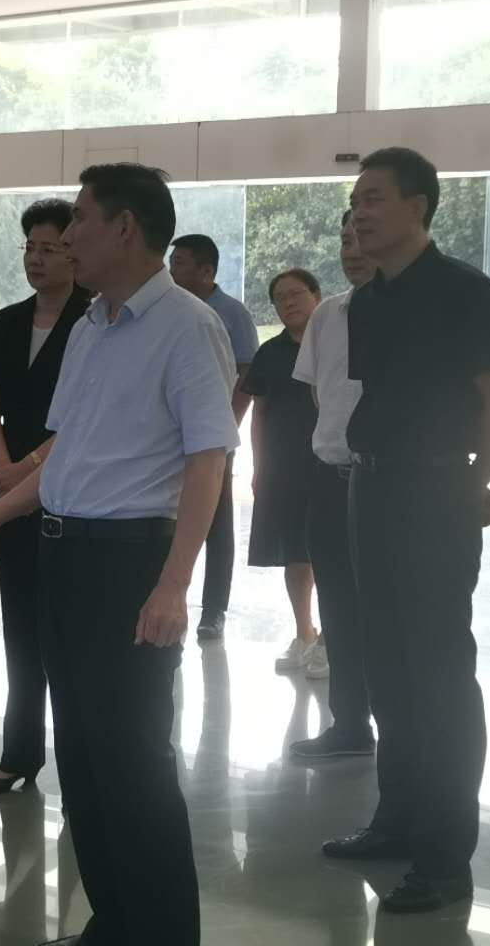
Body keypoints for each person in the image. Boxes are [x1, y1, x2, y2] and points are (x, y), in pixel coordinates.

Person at [0, 163, 239, 945]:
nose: (68, 239)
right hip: (64, 558)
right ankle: (114, 922)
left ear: (124, 228)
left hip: (130, 565)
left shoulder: (187, 325)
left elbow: (209, 461)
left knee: (134, 761)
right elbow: (65, 455)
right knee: (85, 757)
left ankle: (163, 934)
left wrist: (174, 584)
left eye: (80, 222)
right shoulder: (92, 325)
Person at [322, 147, 490, 914]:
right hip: (370, 488)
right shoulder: (369, 300)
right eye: (356, 200)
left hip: (435, 492)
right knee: (386, 668)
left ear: (418, 207)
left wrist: (467, 487)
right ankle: (397, 820)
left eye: (374, 198)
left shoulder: (468, 293)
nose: (359, 213)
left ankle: (443, 858)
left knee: (438, 677)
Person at [0, 198, 92, 796]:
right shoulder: (9, 320)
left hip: (69, 488)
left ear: (75, 252)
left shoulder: (93, 320)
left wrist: (28, 466)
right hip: (9, 490)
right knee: (20, 624)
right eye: (30, 248)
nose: (37, 259)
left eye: (50, 248)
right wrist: (2, 466)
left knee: (70, 634)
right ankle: (19, 753)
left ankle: (79, 764)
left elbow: (86, 412)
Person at [289, 214, 377, 759]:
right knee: (339, 605)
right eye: (345, 239)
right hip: (330, 477)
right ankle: (350, 724)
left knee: (389, 607)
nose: (352, 249)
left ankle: (405, 728)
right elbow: (319, 392)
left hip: (388, 481)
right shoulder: (328, 314)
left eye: (362, 237)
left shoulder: (412, 311)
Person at [169, 233, 258, 641]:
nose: (172, 269)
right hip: (172, 437)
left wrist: (226, 429)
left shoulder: (231, 313)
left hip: (213, 438)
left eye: (181, 262)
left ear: (206, 271)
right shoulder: (169, 309)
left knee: (217, 521)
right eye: (172, 261)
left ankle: (214, 609)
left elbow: (246, 376)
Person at [243, 268, 323, 676]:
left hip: (328, 464)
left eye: (296, 294)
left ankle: (332, 640)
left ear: (316, 296)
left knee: (328, 552)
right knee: (295, 552)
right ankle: (304, 633)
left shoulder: (335, 345)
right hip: (283, 466)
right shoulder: (270, 352)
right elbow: (259, 413)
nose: (288, 303)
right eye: (280, 298)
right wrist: (259, 466)